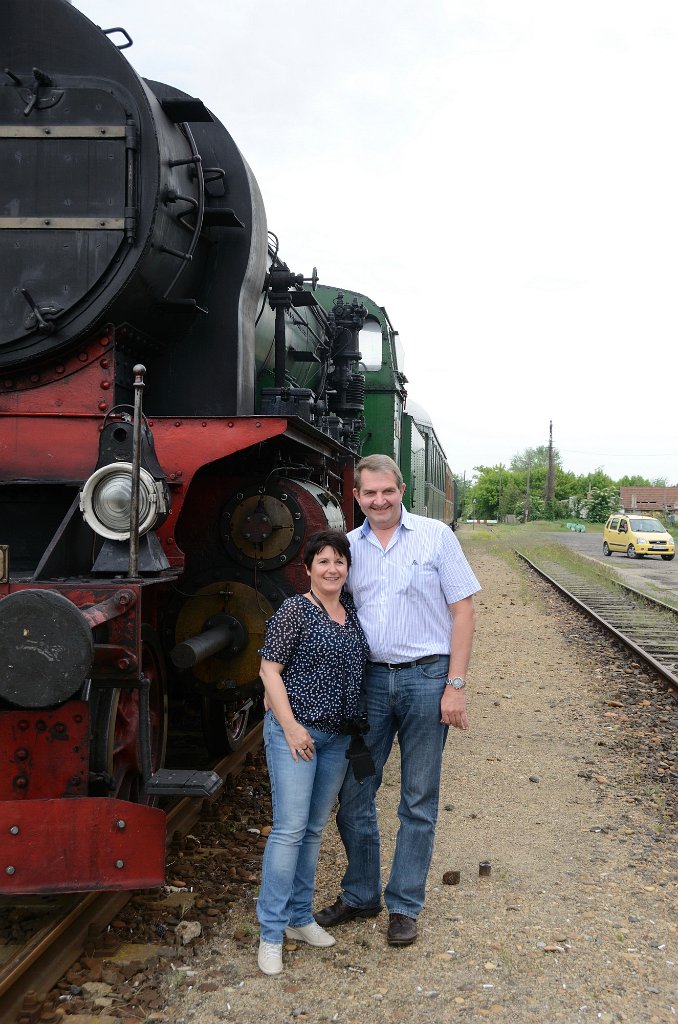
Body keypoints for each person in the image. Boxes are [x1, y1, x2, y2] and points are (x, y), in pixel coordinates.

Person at [315, 454, 480, 947]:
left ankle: (405, 905)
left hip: (427, 680)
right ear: (356, 496)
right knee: (355, 795)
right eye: (369, 493)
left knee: (418, 799)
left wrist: (455, 685)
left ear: (401, 490)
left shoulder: (436, 536)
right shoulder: (347, 547)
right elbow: (326, 611)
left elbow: (464, 611)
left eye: (387, 491)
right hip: (369, 686)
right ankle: (362, 894)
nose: (379, 500)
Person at [255, 529, 370, 976]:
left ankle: (300, 917)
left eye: (339, 561)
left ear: (347, 568)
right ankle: (271, 932)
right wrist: (290, 726)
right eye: (323, 561)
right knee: (289, 829)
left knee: (313, 831)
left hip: (338, 738)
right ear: (308, 569)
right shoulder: (295, 610)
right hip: (297, 736)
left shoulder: (351, 610)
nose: (332, 568)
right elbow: (269, 669)